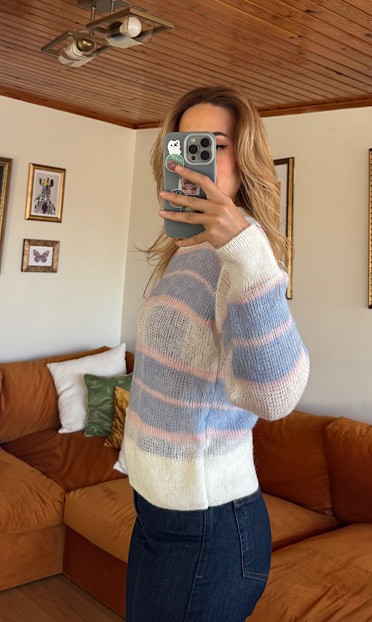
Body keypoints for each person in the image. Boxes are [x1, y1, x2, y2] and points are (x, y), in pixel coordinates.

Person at [123, 86, 310, 622]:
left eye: (213, 144)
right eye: (183, 143)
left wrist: (246, 251)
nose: (193, 158)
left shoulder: (244, 259)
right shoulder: (186, 252)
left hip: (206, 526)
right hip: (156, 508)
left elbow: (276, 397)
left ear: (243, 158)